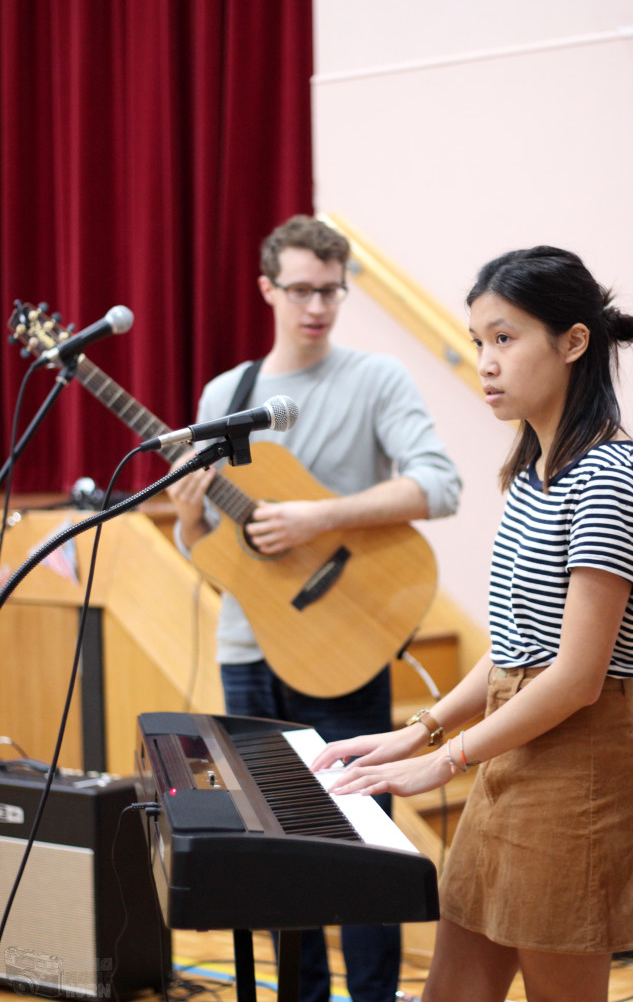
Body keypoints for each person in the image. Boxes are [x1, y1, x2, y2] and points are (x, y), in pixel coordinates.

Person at [312, 245, 633, 1002]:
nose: (485, 361)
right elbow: (517, 651)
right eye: (478, 341)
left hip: (575, 780)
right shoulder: (537, 471)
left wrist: (446, 760)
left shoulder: (604, 477)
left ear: (573, 343)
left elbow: (573, 678)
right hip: (512, 764)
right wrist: (419, 731)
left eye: (505, 338)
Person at [167, 214, 462, 1002]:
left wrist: (319, 517)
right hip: (248, 653)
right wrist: (192, 518)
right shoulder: (226, 395)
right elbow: (211, 552)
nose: (317, 307)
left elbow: (439, 485)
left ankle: (371, 998)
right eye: (300, 290)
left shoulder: (375, 380)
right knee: (273, 853)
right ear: (268, 288)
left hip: (341, 642)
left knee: (362, 844)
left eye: (331, 291)